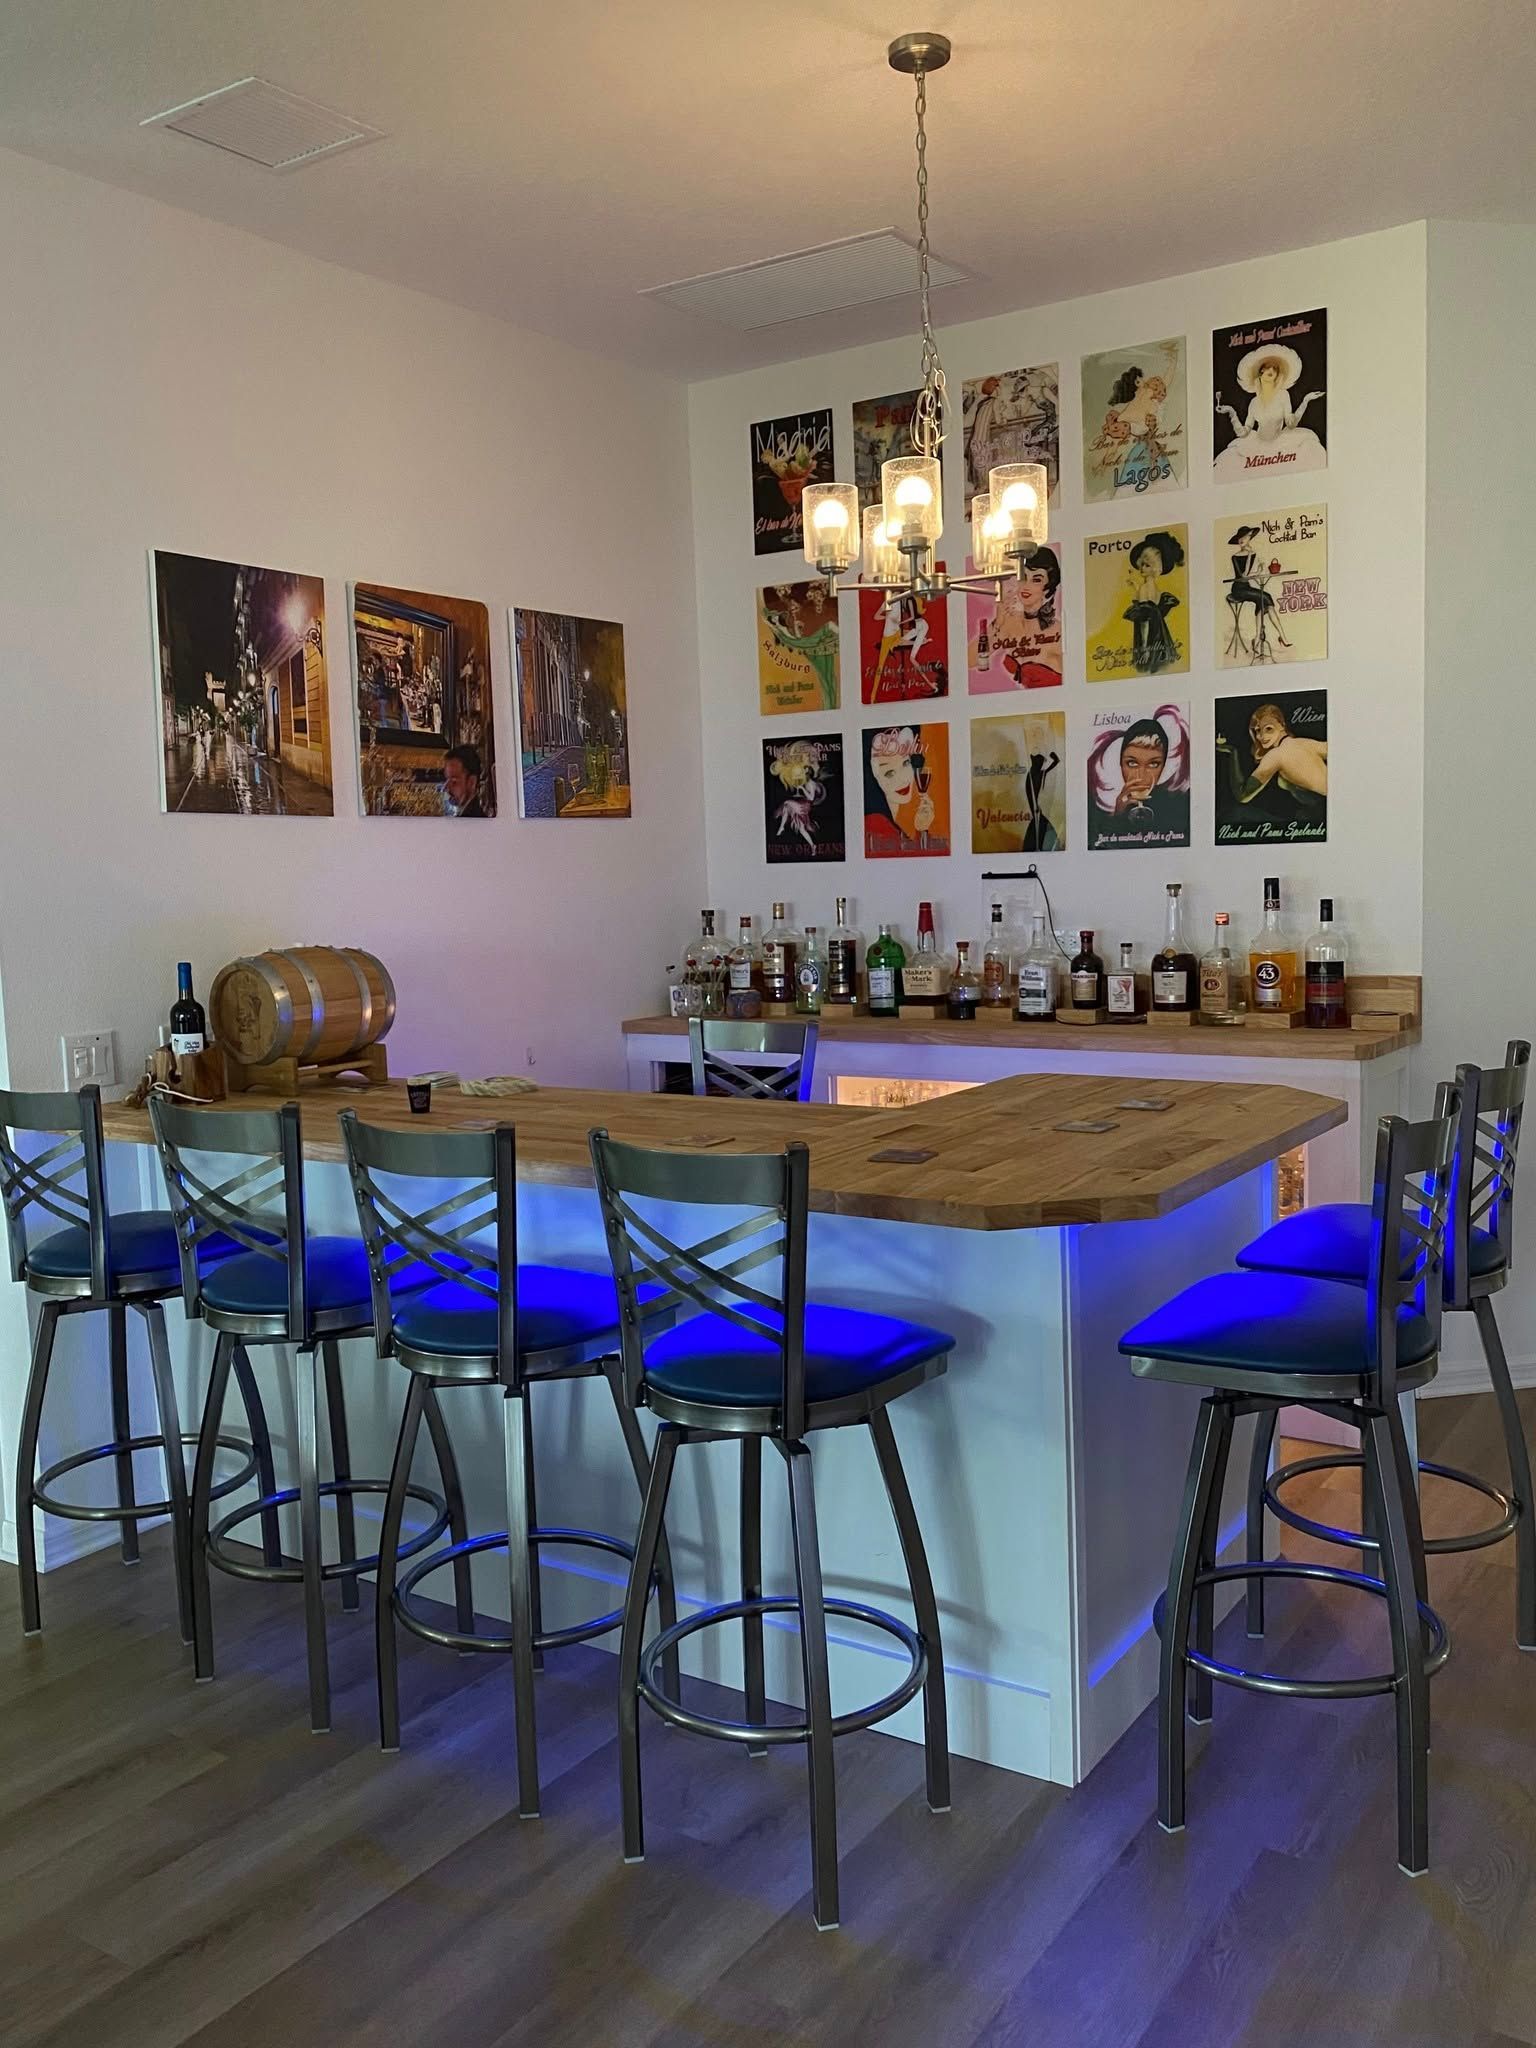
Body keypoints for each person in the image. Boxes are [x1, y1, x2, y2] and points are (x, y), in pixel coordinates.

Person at [1215, 343, 1325, 477]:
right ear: (1261, 371)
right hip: (1256, 446)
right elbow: (1243, 433)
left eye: (1275, 368)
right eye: (1267, 366)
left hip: (1282, 443)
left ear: (1278, 374)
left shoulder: (1283, 395)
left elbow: (1291, 424)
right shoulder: (1254, 402)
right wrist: (1231, 412)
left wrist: (1305, 401)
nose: (1271, 370)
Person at [1219, 701, 1327, 808]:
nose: (1262, 736)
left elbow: (1242, 795)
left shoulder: (1275, 756)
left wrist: (1233, 752)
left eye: (1269, 728)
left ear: (1282, 725)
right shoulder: (1306, 742)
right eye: (1258, 730)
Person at [991, 546, 1063, 690]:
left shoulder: (1058, 631)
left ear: (1048, 587)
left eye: (1036, 580)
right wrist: (996, 624)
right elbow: (971, 660)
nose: (1026, 586)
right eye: (1023, 577)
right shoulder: (1008, 623)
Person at [865, 726, 941, 852]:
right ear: (875, 776)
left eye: (906, 763)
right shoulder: (875, 824)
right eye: (889, 773)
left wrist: (922, 828)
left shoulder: (896, 821)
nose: (904, 779)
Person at [1222, 526, 1291, 661]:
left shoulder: (1253, 554)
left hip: (1246, 587)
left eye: (1246, 536)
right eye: (1241, 537)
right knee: (1266, 597)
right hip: (1238, 590)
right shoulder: (1235, 557)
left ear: (1250, 538)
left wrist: (1259, 570)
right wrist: (1249, 556)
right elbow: (1244, 575)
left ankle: (1259, 639)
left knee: (1263, 600)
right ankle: (1279, 637)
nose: (1242, 539)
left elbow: (1250, 574)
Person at [1122, 530, 1185, 675]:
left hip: (1149, 639)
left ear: (1155, 568)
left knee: (1147, 668)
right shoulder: (1155, 589)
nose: (1142, 568)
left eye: (1147, 565)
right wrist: (1135, 587)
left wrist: (1144, 648)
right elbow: (1151, 607)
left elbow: (1144, 621)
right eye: (1142, 564)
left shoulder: (1145, 588)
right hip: (1160, 635)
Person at [443, 744, 486, 817]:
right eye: (446, 779)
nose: (446, 788)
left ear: (472, 783)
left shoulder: (475, 820)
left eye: (454, 782)